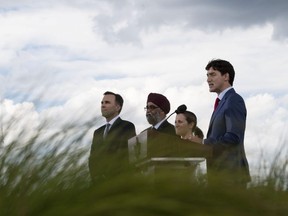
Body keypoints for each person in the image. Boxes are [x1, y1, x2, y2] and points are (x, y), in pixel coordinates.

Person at [190, 59, 251, 187]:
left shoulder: (234, 100)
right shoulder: (221, 103)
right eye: (207, 75)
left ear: (226, 76)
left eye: (213, 74)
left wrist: (203, 143)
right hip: (219, 175)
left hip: (231, 175)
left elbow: (233, 137)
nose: (208, 79)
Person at [88, 91, 136, 182]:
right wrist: (95, 178)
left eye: (107, 102)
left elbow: (127, 155)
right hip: (98, 185)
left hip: (119, 183)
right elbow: (92, 159)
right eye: (102, 103)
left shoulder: (127, 126)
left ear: (117, 107)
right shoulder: (97, 132)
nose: (103, 105)